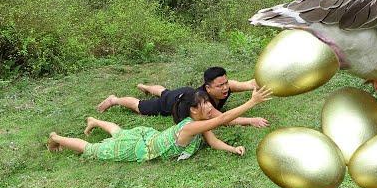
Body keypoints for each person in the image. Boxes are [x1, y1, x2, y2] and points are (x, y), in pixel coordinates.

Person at [47, 86, 273, 162]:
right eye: (203, 104)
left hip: (150, 137)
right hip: (141, 148)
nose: (209, 107)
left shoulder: (199, 123)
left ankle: (95, 121)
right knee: (92, 149)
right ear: (193, 110)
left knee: (120, 132)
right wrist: (252, 101)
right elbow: (223, 118)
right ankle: (56, 138)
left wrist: (233, 149)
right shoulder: (191, 126)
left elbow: (213, 141)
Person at [96, 67, 269, 128]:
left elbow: (250, 83)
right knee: (141, 106)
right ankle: (114, 100)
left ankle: (147, 86)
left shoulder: (227, 86)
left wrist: (263, 84)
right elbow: (224, 119)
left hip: (184, 93)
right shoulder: (205, 102)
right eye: (220, 85)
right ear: (208, 87)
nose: (225, 88)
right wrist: (251, 120)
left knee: (164, 91)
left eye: (226, 83)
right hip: (173, 101)